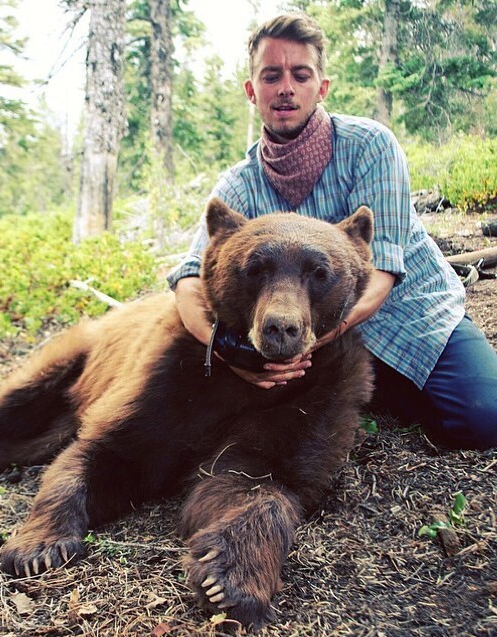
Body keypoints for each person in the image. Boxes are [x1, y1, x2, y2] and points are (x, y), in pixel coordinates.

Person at [166, 13, 497, 450]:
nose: (286, 87)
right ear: (252, 91)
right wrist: (225, 349)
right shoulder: (239, 186)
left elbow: (382, 276)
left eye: (300, 75)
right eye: (271, 76)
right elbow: (189, 279)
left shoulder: (370, 147)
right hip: (300, 340)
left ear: (321, 87)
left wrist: (311, 337)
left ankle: (397, 392)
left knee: (485, 420)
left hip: (413, 320)